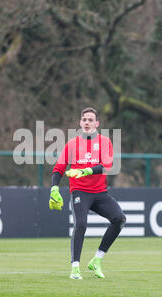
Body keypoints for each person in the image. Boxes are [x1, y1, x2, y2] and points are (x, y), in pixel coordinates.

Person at [49, 107, 126, 280]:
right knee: (81, 224)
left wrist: (85, 171)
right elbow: (58, 168)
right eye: (84, 119)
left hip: (99, 193)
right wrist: (54, 187)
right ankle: (75, 267)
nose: (87, 122)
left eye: (91, 120)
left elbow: (106, 165)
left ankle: (97, 260)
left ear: (97, 123)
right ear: (80, 123)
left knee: (119, 219)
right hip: (80, 192)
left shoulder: (105, 142)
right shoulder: (72, 144)